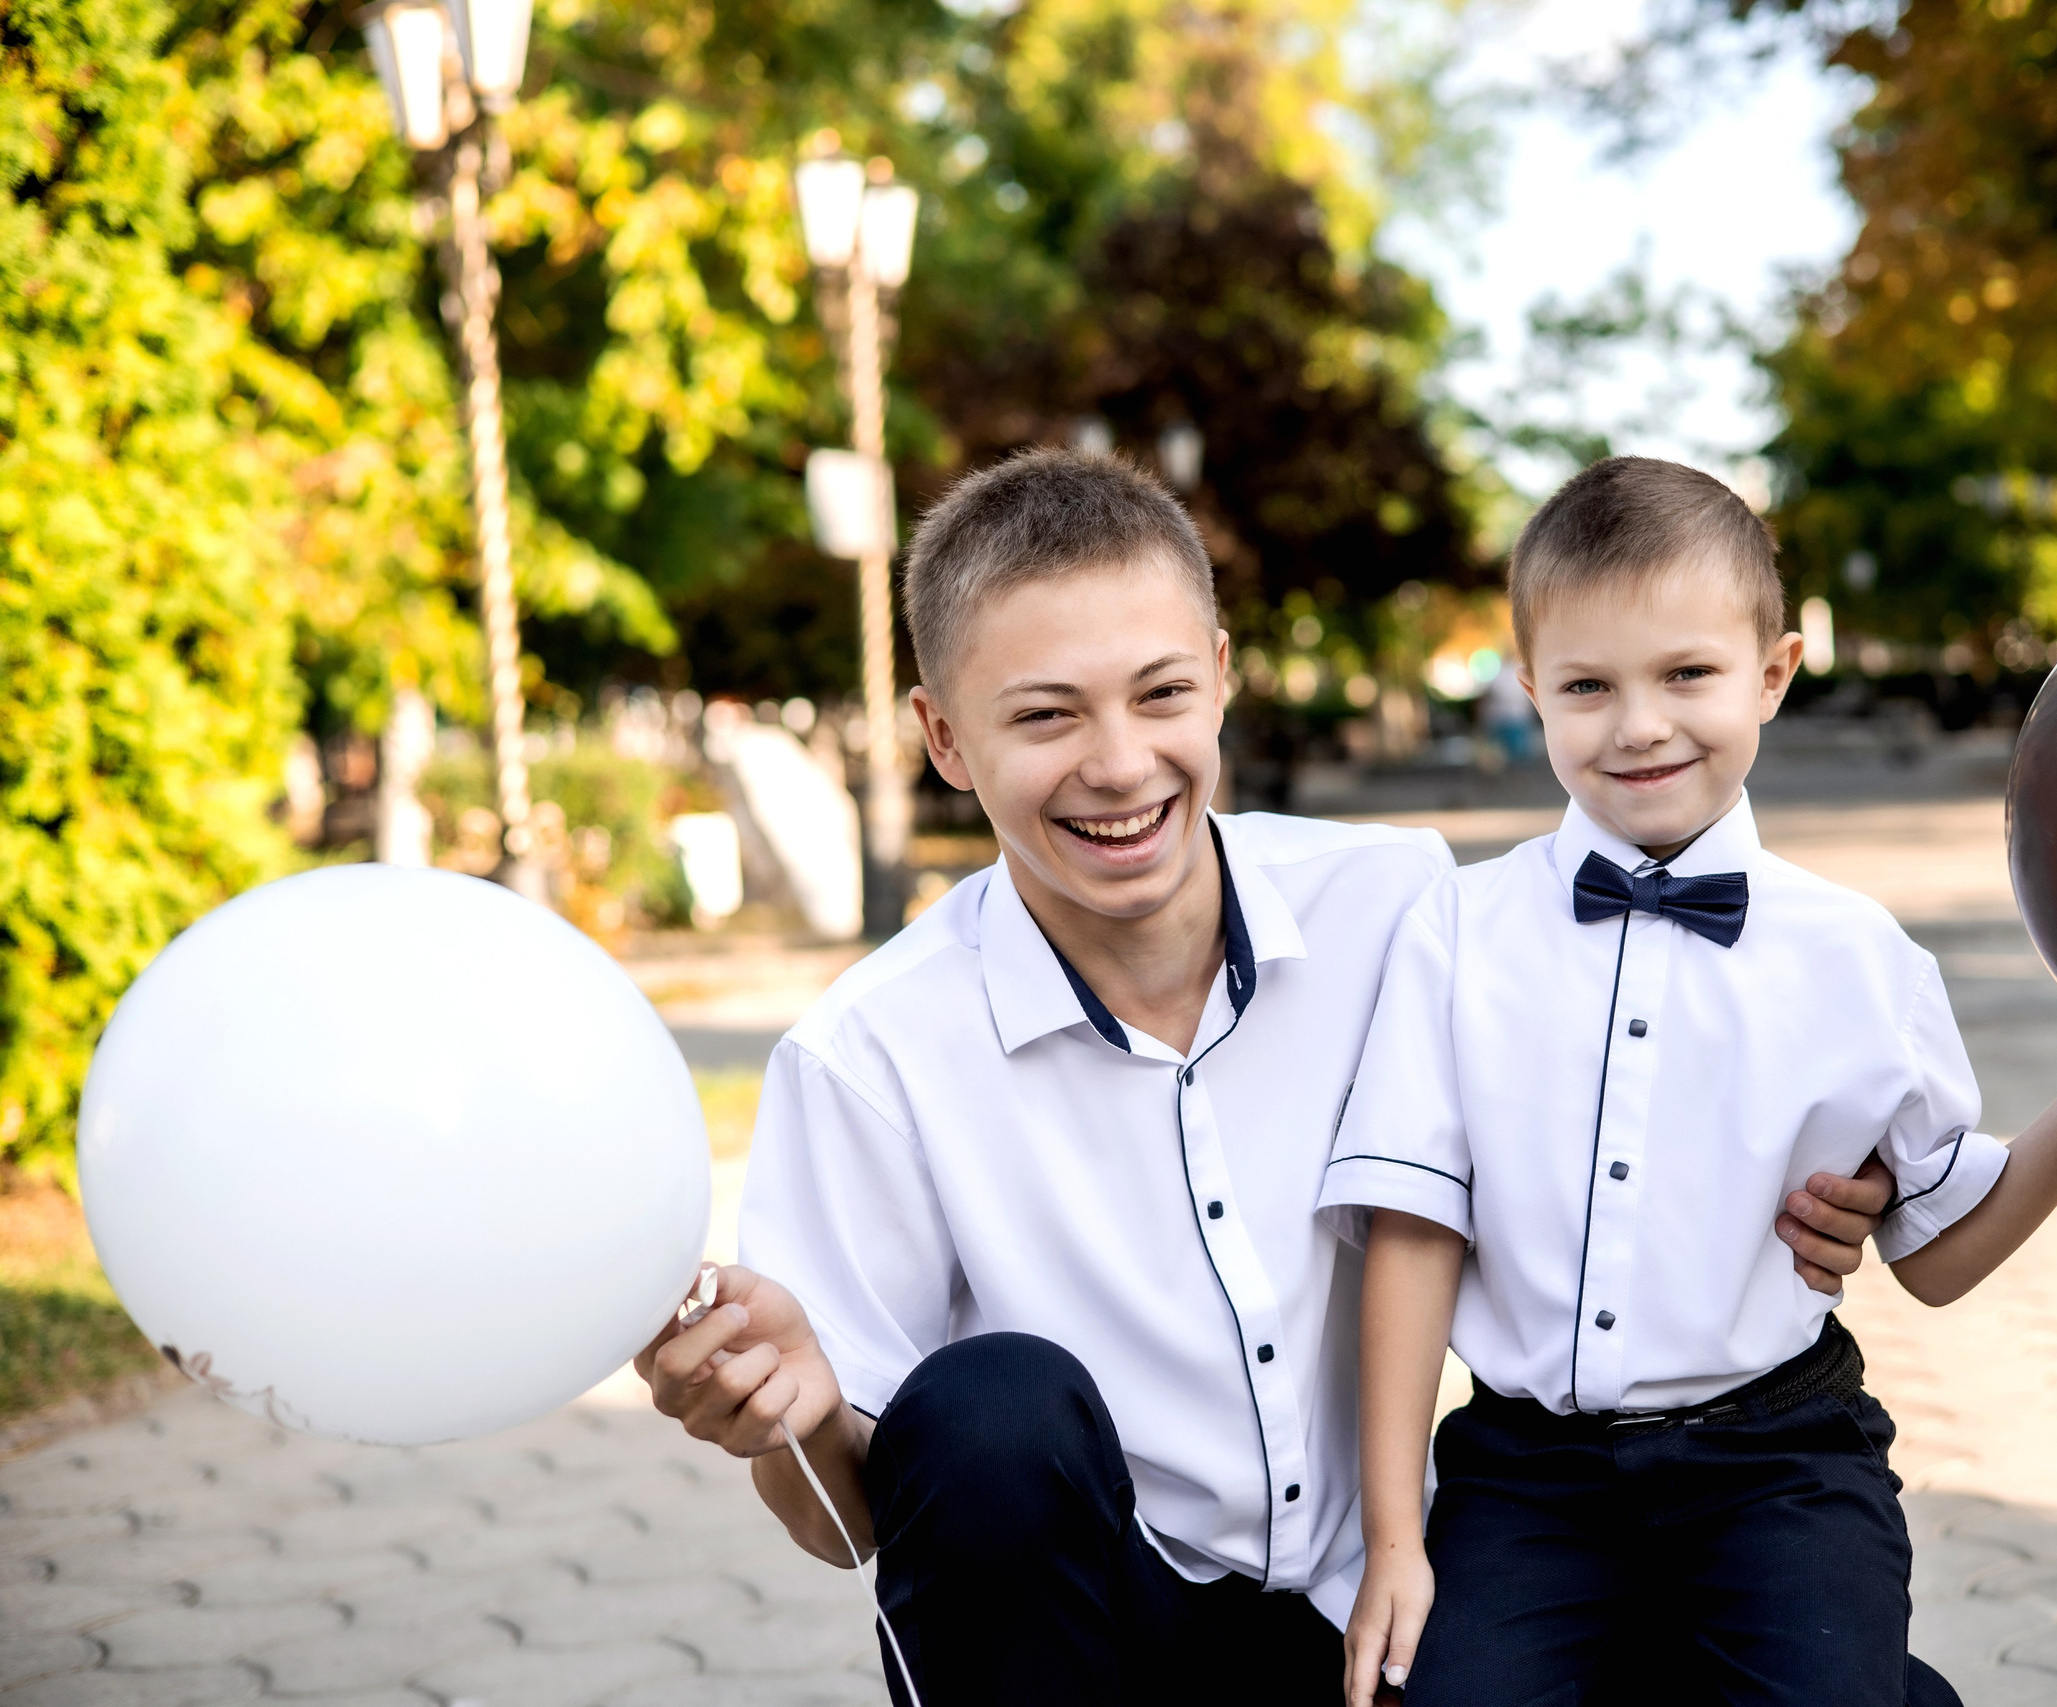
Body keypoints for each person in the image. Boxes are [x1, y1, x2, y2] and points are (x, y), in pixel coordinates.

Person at [630, 450, 1897, 1706]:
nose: (1120, 763)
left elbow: (1631, 1066)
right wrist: (791, 1423)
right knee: (984, 1409)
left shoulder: (1403, 908)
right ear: (944, 738)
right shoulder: (868, 1059)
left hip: (1392, 1620)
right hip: (1107, 1647)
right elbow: (854, 1531)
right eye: (1044, 714)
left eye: (1160, 693)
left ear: (1223, 679)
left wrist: (1836, 1182)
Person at [1324, 456, 2057, 1707]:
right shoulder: (1454, 933)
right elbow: (1413, 1235)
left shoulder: (1861, 959)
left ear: (1774, 674)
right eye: (1587, 686)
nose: (1638, 724)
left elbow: (1940, 1256)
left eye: (1687, 673)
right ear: (1530, 691)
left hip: (1776, 1462)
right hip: (1525, 1479)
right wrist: (1395, 1539)